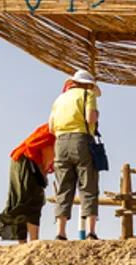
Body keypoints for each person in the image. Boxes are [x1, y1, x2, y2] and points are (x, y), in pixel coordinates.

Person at [49, 70, 101, 240]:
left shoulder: (59, 99)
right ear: (88, 85)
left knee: (64, 186)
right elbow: (90, 118)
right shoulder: (87, 95)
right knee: (88, 184)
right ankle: (91, 231)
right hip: (81, 140)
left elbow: (51, 127)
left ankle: (61, 232)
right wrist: (96, 114)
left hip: (60, 142)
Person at [0, 124, 56, 243]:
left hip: (19, 160)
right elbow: (46, 157)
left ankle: (22, 243)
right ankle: (33, 241)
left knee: (20, 201)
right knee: (33, 200)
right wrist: (42, 177)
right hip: (27, 161)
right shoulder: (56, 133)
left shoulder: (53, 128)